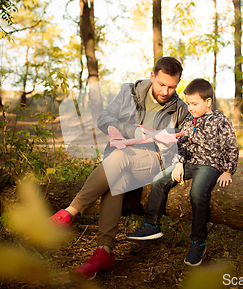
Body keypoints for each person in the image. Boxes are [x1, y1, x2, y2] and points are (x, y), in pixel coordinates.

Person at [49, 57, 189, 278]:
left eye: (172, 86)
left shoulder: (180, 108)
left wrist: (166, 143)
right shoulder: (129, 92)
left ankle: (69, 213)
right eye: (162, 84)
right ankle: (103, 252)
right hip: (121, 156)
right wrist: (131, 131)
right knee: (117, 180)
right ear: (152, 77)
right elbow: (104, 119)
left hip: (154, 162)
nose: (166, 91)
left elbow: (186, 142)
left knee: (120, 158)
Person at [126, 78, 239, 266]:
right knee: (160, 179)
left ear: (208, 102)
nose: (190, 107)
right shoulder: (188, 121)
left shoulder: (220, 121)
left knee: (197, 192)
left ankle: (197, 241)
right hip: (189, 163)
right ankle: (151, 224)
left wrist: (228, 171)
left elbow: (231, 147)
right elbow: (182, 145)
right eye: (188, 103)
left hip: (210, 165)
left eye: (194, 104)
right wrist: (178, 164)